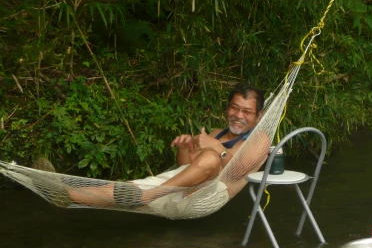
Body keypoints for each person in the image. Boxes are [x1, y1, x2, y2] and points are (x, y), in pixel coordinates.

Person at [69, 83, 268, 207]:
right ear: (227, 109)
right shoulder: (216, 133)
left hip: (205, 196)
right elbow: (185, 166)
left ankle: (150, 195)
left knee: (210, 157)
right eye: (234, 108)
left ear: (259, 116)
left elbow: (239, 172)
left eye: (247, 111)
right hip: (175, 186)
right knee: (125, 189)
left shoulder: (259, 139)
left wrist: (216, 148)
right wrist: (184, 148)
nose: (238, 115)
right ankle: (63, 193)